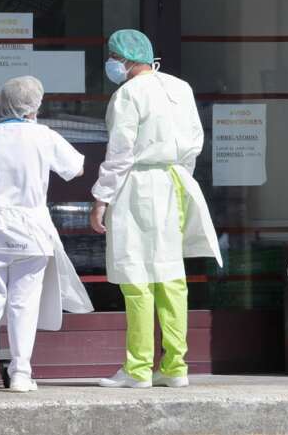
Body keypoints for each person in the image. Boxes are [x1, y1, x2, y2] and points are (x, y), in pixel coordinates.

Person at [0, 76, 93, 392]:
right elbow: (76, 169)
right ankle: (21, 374)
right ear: (34, 106)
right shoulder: (44, 136)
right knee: (24, 305)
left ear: (2, 104)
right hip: (32, 230)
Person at [91, 29, 222, 389]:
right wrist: (181, 179)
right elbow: (195, 142)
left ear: (124, 60)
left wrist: (101, 198)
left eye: (113, 57)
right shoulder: (180, 88)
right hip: (176, 183)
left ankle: (138, 369)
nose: (112, 64)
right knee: (171, 277)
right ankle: (176, 366)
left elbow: (120, 153)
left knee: (136, 277)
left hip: (137, 186)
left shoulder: (127, 94)